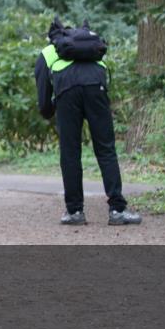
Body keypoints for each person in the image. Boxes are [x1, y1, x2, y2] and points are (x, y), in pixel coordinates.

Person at [35, 18, 141, 226]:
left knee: (70, 152)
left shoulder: (49, 52)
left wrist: (49, 111)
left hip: (67, 91)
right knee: (106, 149)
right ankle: (118, 210)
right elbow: (104, 74)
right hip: (96, 86)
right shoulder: (92, 49)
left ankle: (75, 212)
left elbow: (43, 94)